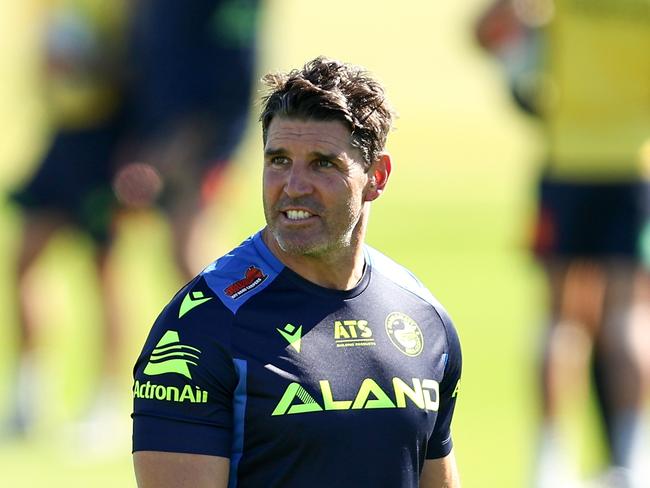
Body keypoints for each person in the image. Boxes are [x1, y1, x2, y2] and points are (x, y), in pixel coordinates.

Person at [131, 56, 463, 487]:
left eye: (323, 163)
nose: (293, 185)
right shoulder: (202, 325)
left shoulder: (424, 319)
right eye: (279, 160)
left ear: (377, 176)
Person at [476, 1, 650, 486]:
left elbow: (489, 28)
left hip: (566, 158)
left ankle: (550, 464)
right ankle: (634, 462)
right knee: (630, 315)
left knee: (558, 320)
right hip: (637, 163)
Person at [5, 0, 129, 437]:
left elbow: (132, 66)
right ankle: (27, 397)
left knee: (102, 273)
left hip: (102, 143)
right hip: (61, 138)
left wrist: (86, 63)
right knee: (22, 262)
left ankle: (110, 401)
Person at [113, 0, 262, 279]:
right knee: (182, 249)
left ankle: (253, 320)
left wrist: (193, 135)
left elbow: (236, 66)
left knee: (188, 247)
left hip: (202, 136)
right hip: (158, 130)